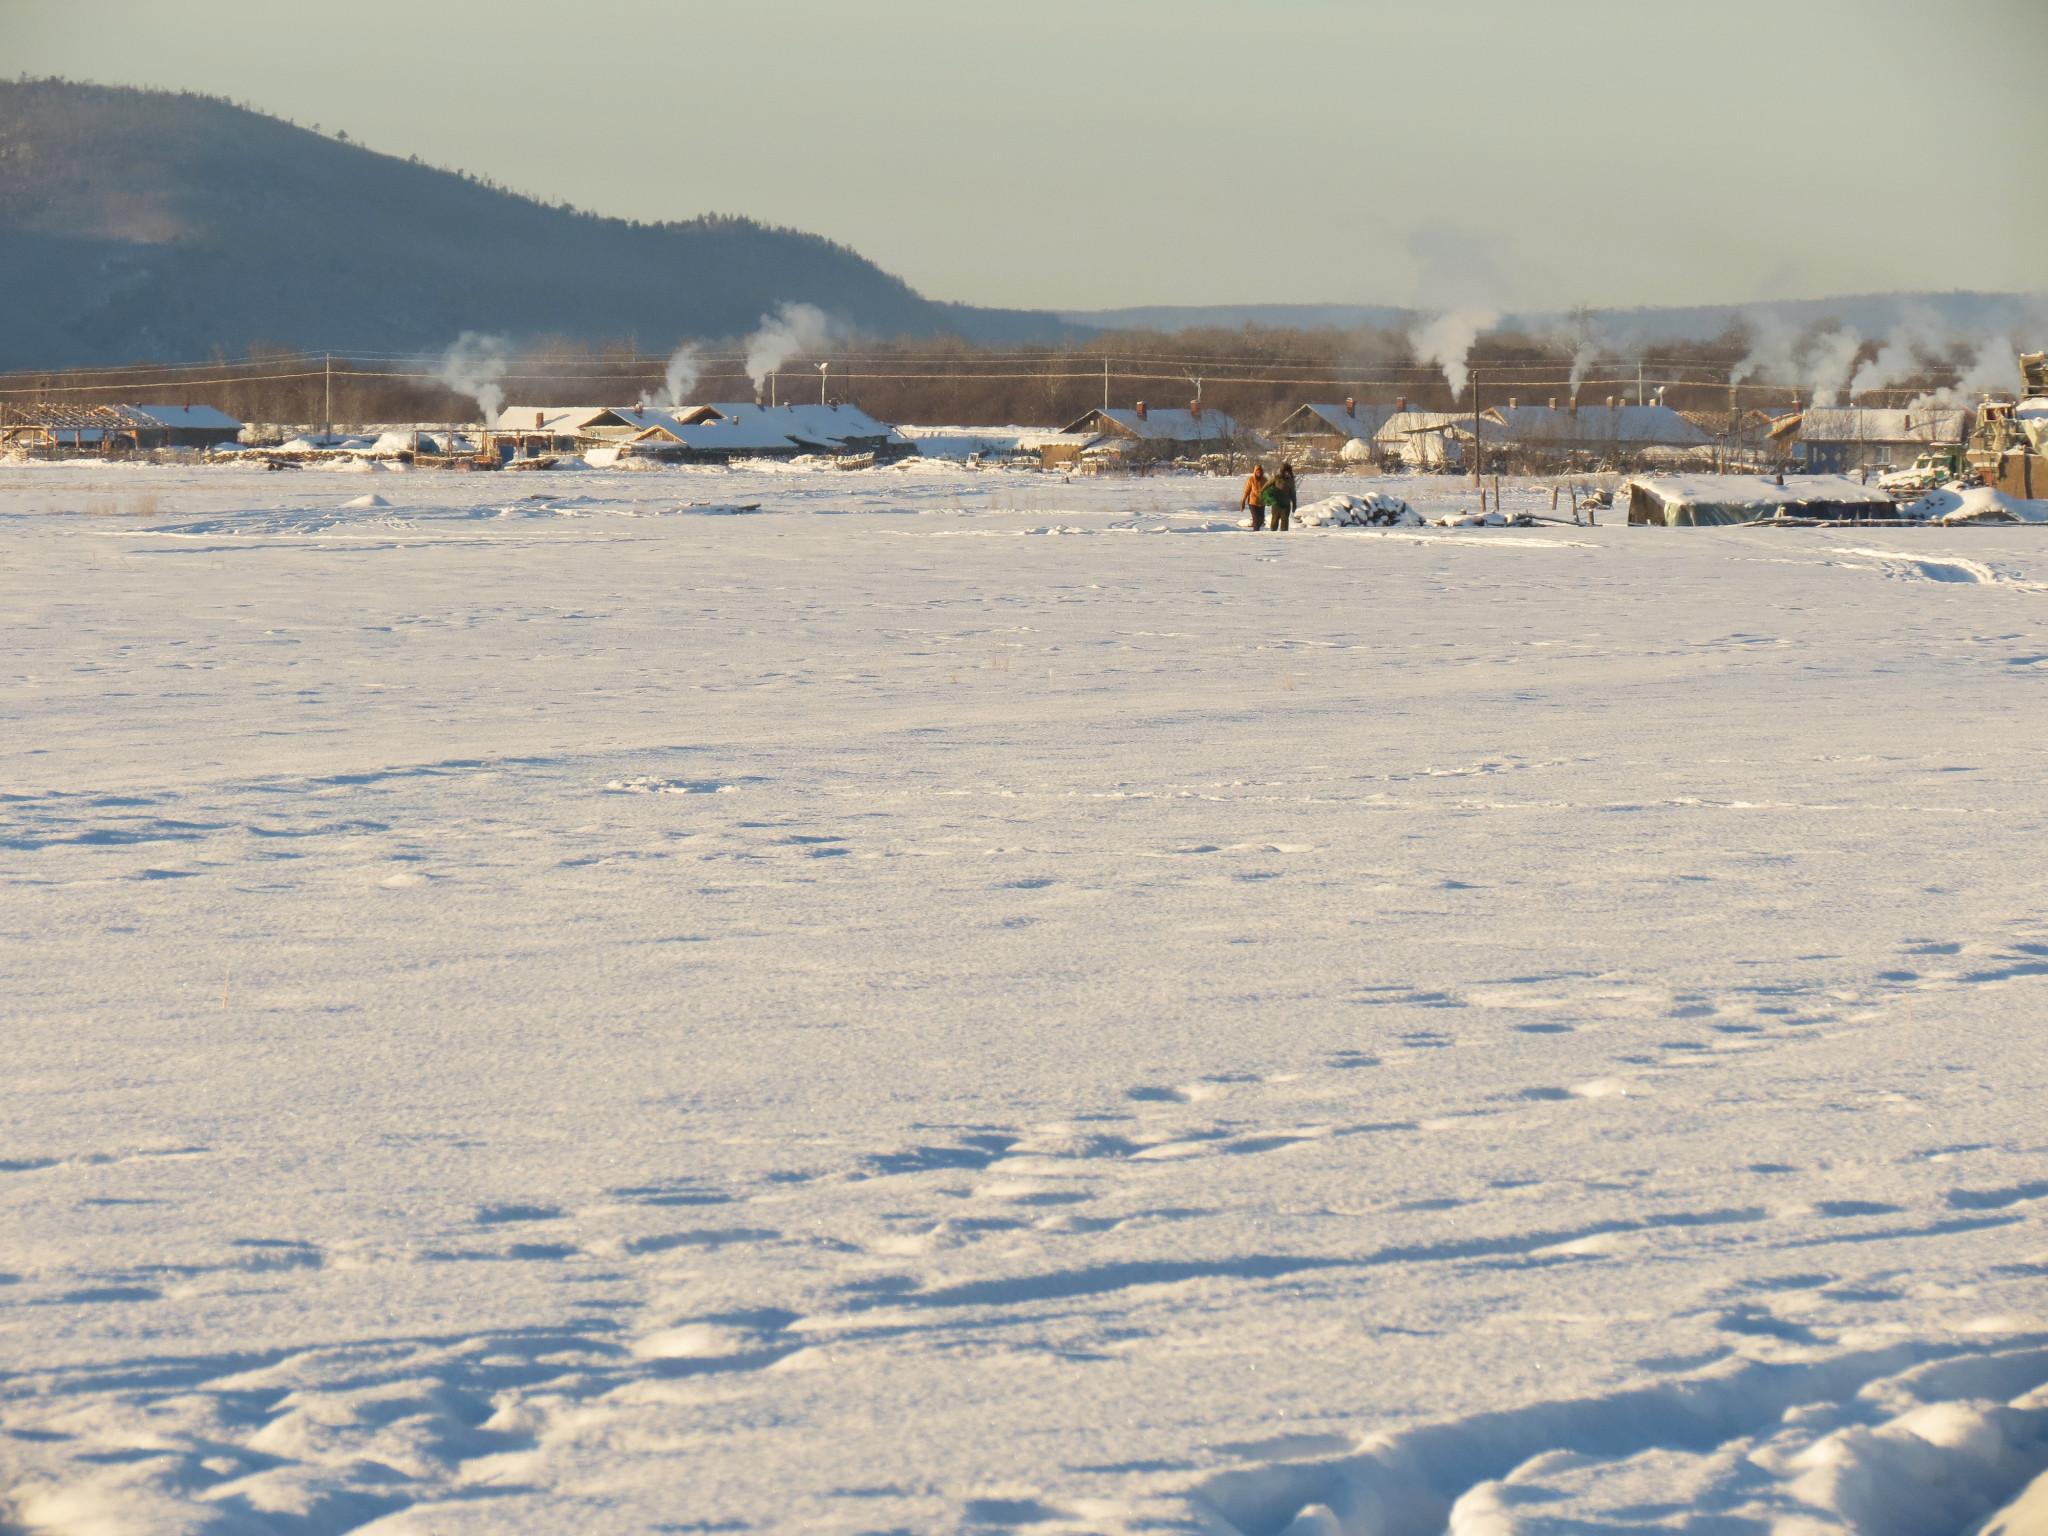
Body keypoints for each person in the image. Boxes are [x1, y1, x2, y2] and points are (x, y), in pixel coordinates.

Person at [1263, 463, 1297, 531]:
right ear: (1283, 471)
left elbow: (1293, 493)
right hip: (1276, 504)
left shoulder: (1291, 481)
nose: (1287, 473)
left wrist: (1294, 504)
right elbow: (1266, 486)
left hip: (1286, 504)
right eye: (1286, 472)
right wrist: (1264, 495)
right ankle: (1273, 536)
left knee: (1285, 521)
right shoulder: (1276, 478)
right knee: (1274, 521)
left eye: (1288, 472)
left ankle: (1284, 536)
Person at [1239, 463, 1269, 531]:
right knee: (1256, 518)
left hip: (1262, 503)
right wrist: (1243, 501)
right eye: (1258, 472)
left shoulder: (1265, 480)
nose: (1259, 473)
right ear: (1255, 472)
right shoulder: (1251, 480)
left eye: (1260, 472)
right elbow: (1246, 491)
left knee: (1261, 519)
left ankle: (1256, 529)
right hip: (1253, 502)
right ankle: (1256, 532)